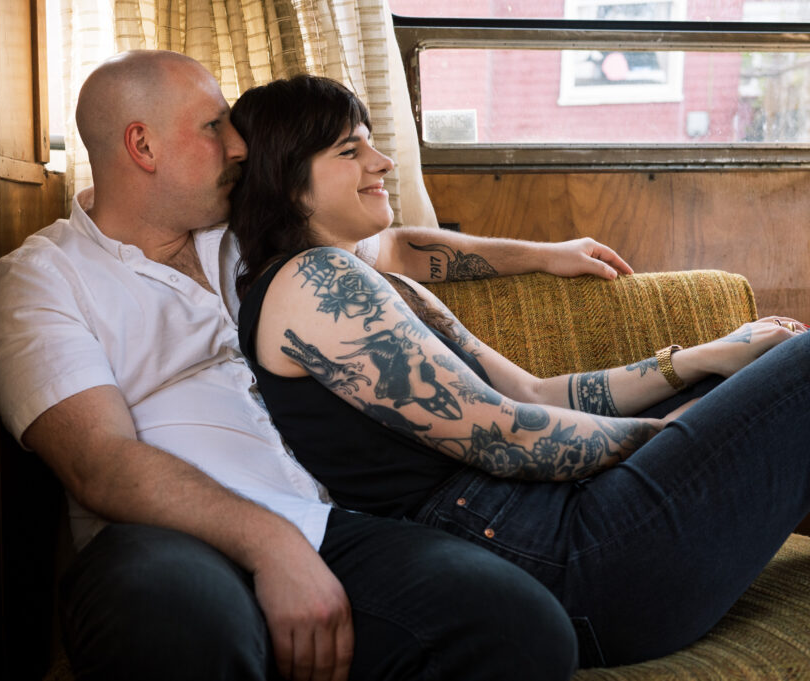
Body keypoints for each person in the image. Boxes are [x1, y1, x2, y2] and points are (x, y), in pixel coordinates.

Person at [0, 49, 640, 681]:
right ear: (143, 145)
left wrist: (544, 253)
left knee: (526, 630)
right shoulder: (44, 277)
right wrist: (272, 546)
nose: (239, 145)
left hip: (325, 519)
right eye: (214, 126)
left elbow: (398, 248)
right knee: (186, 629)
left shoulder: (243, 228)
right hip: (164, 544)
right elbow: (100, 463)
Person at [230, 73, 810, 669]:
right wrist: (675, 438)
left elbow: (535, 392)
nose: (380, 162)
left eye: (371, 142)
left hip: (555, 525)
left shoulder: (362, 271)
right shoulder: (312, 282)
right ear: (288, 182)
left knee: (731, 377)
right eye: (349, 152)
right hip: (563, 563)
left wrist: (697, 359)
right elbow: (505, 437)